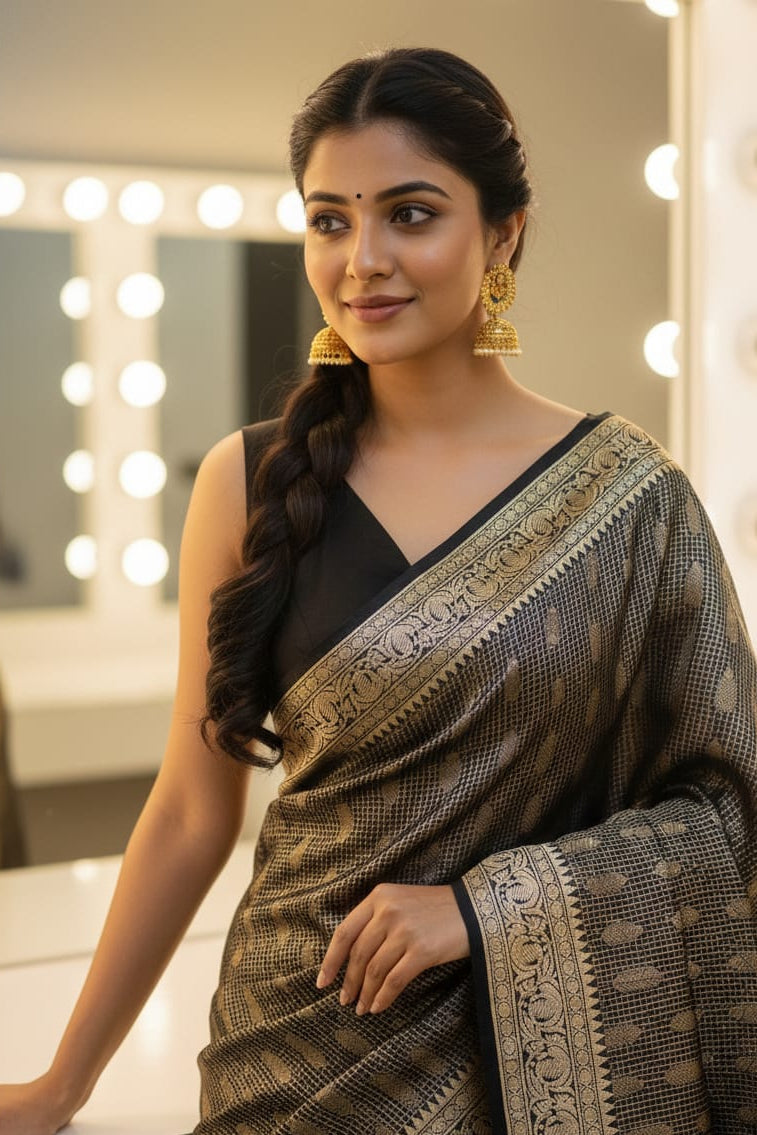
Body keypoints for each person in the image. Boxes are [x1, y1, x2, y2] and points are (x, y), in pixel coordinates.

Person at [1, 46, 755, 1135]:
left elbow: (725, 819)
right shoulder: (249, 480)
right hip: (289, 1050)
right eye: (328, 220)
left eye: (410, 214)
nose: (363, 260)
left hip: (514, 1073)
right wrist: (63, 1082)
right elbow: (185, 810)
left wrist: (483, 909)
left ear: (503, 233)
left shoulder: (631, 501)